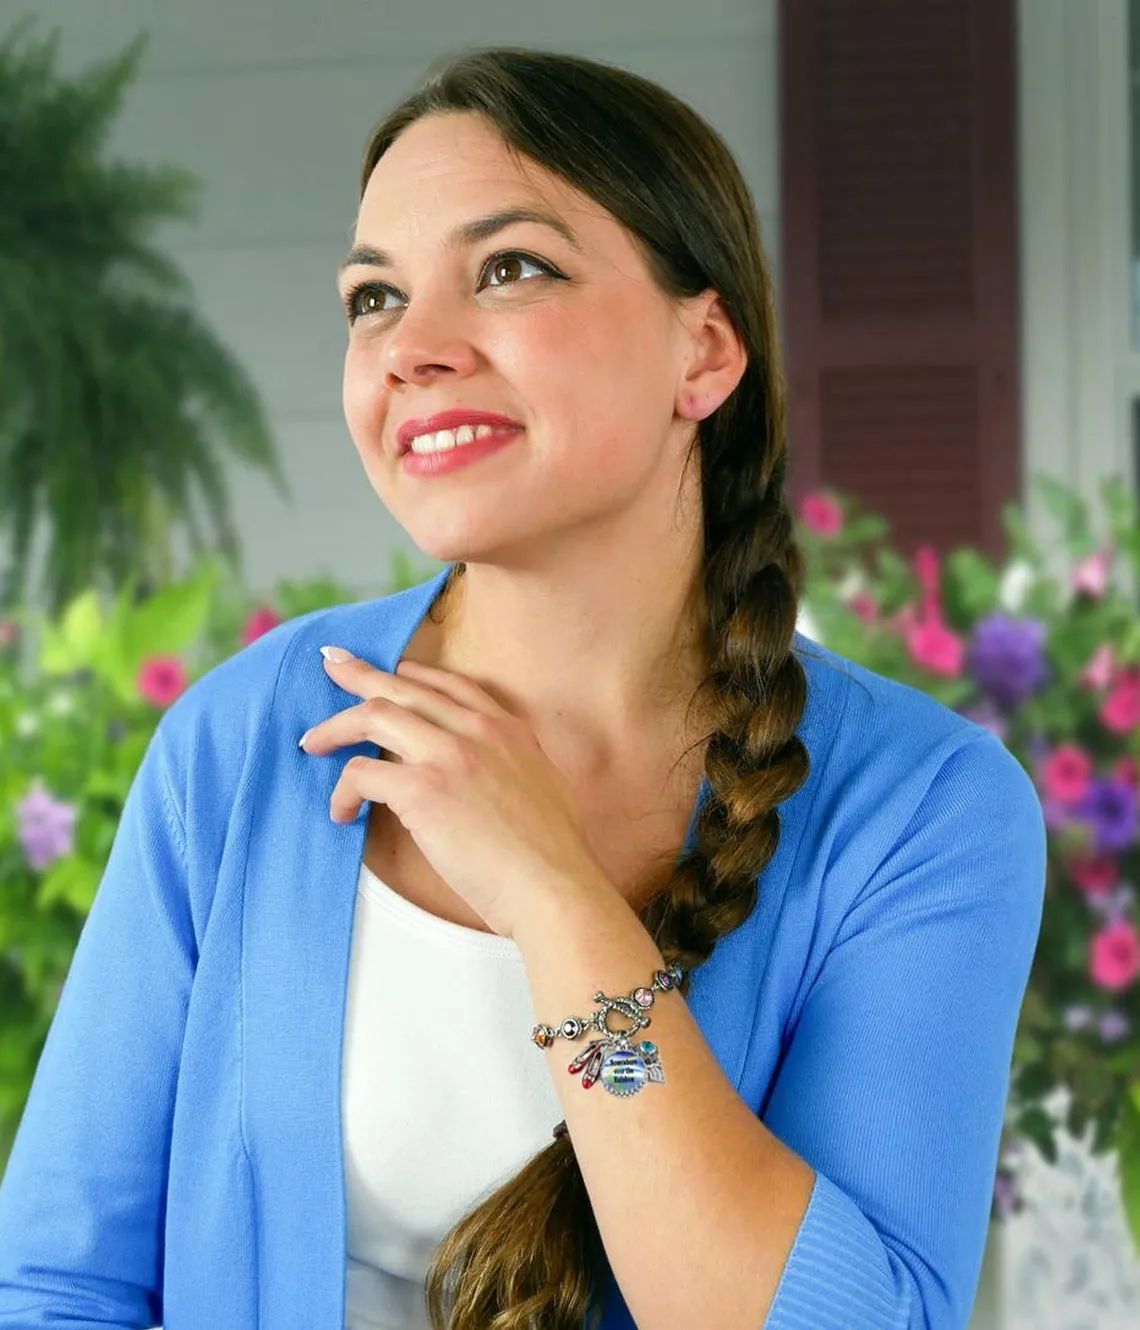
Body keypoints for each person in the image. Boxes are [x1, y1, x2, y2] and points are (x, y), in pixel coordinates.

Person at [0, 46, 1046, 1330]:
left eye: (511, 269)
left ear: (704, 351)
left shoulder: (925, 811)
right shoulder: (248, 738)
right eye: (373, 299)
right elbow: (58, 1287)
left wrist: (558, 904)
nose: (413, 350)